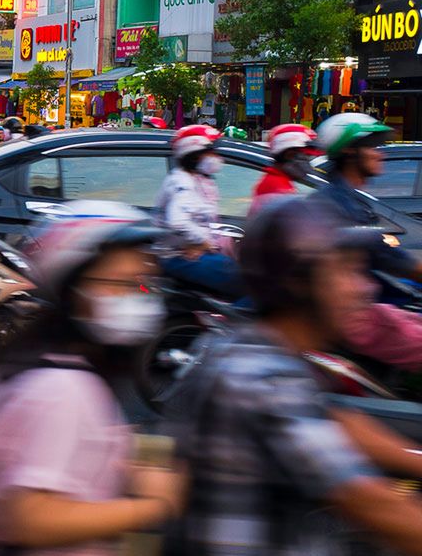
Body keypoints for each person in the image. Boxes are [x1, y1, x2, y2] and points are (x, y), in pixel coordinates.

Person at [173, 198, 422, 556]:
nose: (363, 289)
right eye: (346, 271)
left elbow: (340, 424)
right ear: (300, 282)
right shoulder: (262, 378)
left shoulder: (253, 351)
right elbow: (376, 506)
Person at [0, 201, 184, 554]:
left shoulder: (56, 364)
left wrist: (127, 469)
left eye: (144, 286)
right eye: (121, 285)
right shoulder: (59, 390)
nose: (139, 300)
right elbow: (33, 519)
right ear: (73, 289)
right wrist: (157, 506)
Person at [311, 112, 422, 282]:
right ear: (349, 151)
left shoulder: (350, 197)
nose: (379, 155)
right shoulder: (339, 203)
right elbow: (388, 257)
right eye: (371, 147)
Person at [152, 125, 242, 299]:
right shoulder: (182, 183)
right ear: (194, 155)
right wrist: (204, 243)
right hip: (176, 258)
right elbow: (178, 222)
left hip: (188, 255)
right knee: (249, 283)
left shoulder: (196, 180)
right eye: (210, 153)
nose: (216, 158)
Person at [250, 123, 317, 215]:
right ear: (289, 155)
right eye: (306, 157)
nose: (307, 164)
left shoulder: (279, 182)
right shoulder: (276, 187)